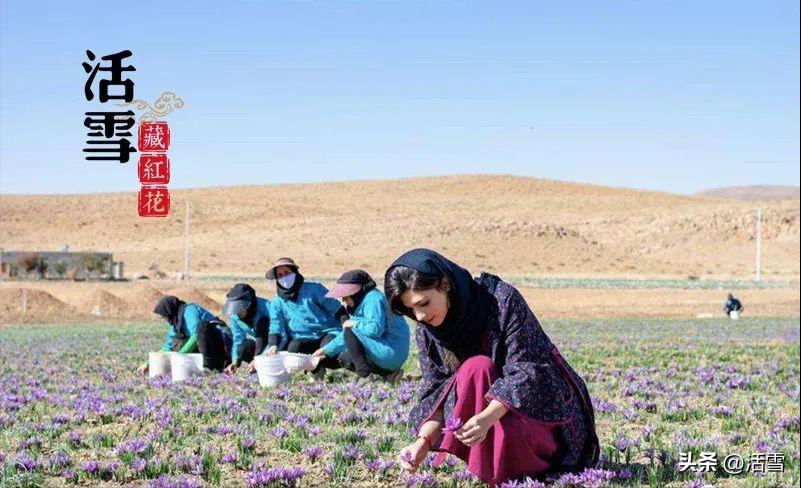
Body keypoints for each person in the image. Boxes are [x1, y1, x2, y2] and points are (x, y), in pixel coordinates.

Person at [385, 249, 599, 486]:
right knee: (476, 368)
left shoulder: (501, 301)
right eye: (410, 311)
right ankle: (487, 464)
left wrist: (486, 418)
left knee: (479, 367)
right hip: (476, 430)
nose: (420, 315)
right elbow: (437, 394)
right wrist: (422, 443)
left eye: (423, 303)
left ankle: (498, 465)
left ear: (445, 284)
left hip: (535, 416)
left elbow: (528, 370)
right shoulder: (428, 332)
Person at [312, 269, 410, 383]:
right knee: (346, 358)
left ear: (356, 293)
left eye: (345, 296)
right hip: (387, 351)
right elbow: (346, 336)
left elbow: (374, 329)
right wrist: (323, 351)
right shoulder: (362, 302)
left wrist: (354, 323)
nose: (343, 301)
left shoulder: (373, 299)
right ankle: (390, 375)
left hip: (392, 350)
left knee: (350, 329)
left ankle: (365, 375)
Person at [264, 258, 345, 378]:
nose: (284, 277)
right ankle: (316, 370)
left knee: (329, 350)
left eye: (287, 273)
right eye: (280, 275)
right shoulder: (277, 302)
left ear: (295, 273)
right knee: (293, 349)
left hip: (327, 332)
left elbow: (337, 308)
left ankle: (335, 364)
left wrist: (345, 324)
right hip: (302, 337)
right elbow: (275, 325)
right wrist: (274, 345)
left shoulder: (315, 289)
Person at [137, 295, 232, 373]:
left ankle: (209, 367)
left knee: (202, 327)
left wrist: (180, 355)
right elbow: (167, 347)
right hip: (208, 348)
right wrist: (148, 363)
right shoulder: (176, 324)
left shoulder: (190, 311)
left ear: (169, 311)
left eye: (165, 316)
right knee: (177, 341)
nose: (165, 319)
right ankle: (198, 368)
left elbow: (196, 335)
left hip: (221, 344)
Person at [221, 283, 276, 373]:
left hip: (273, 345)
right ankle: (251, 365)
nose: (238, 313)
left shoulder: (267, 307)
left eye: (240, 309)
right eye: (236, 310)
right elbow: (238, 340)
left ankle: (260, 364)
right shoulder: (235, 316)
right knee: (242, 348)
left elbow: (280, 332)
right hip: (258, 345)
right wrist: (235, 361)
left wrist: (261, 359)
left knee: (262, 323)